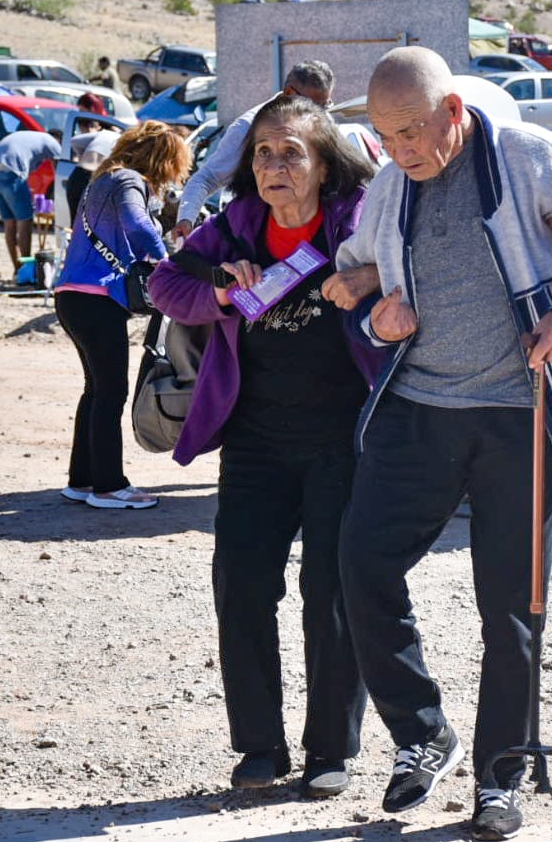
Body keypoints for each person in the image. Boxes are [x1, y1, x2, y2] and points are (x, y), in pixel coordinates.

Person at [326, 46, 552, 841]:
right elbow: (355, 277)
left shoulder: (527, 156)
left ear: (453, 114)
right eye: (384, 136)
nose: (399, 152)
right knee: (361, 564)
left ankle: (499, 778)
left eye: (411, 132)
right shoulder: (393, 183)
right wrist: (374, 317)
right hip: (420, 405)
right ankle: (420, 733)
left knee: (510, 607)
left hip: (520, 409)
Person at [150, 97, 383, 793]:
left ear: (322, 162)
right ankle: (260, 747)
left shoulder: (358, 218)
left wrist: (368, 277)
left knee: (331, 590)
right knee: (243, 584)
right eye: (262, 154)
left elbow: (412, 272)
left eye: (291, 153)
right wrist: (221, 292)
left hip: (344, 438)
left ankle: (331, 750)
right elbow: (166, 285)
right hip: (255, 440)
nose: (275, 167)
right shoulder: (235, 227)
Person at [54, 121, 189, 510]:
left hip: (71, 296)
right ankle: (109, 486)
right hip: (98, 299)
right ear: (162, 159)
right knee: (111, 391)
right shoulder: (130, 181)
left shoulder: (102, 179)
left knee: (96, 390)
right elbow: (137, 223)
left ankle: (81, 480)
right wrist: (166, 261)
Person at [170, 61, 337, 243]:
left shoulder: (322, 124)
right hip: (259, 240)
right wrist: (186, 219)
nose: (318, 114)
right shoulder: (248, 128)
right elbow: (206, 178)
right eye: (312, 105)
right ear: (289, 93)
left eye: (324, 106)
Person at [0, 129, 64, 269]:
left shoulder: (33, 138)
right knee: (25, 220)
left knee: (9, 223)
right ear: (59, 139)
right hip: (11, 171)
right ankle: (27, 268)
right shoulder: (52, 142)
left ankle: (18, 268)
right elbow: (59, 173)